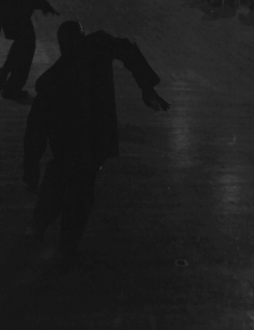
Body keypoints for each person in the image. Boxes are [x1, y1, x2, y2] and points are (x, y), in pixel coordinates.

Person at [23, 21, 170, 267]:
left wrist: (30, 168)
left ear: (60, 45)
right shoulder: (96, 48)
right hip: (93, 145)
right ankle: (65, 246)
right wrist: (146, 87)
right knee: (80, 197)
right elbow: (126, 50)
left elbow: (35, 131)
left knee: (57, 189)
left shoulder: (52, 81)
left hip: (69, 150)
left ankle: (41, 228)